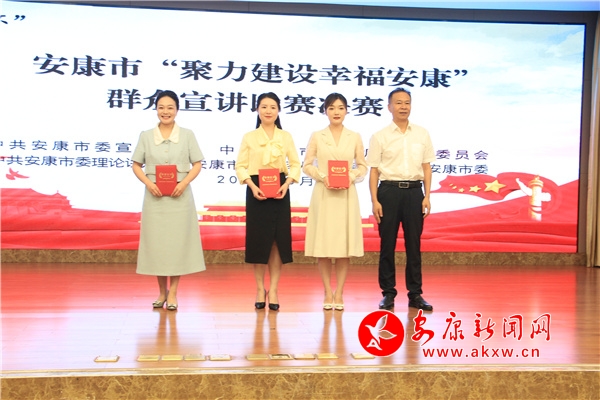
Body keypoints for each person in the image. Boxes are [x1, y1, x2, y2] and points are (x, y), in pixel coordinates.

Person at [132, 90, 206, 311]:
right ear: (156, 109)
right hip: (154, 199)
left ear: (177, 110)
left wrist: (184, 183)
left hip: (179, 199)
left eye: (170, 107)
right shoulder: (146, 136)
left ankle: (173, 291)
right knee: (157, 246)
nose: (165, 111)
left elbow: (197, 163)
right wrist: (149, 183)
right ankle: (161, 291)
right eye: (161, 107)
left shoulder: (187, 135)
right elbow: (136, 165)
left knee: (176, 245)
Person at [366, 88, 435, 311]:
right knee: (387, 244)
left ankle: (415, 294)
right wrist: (375, 200)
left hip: (414, 193)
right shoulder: (380, 136)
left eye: (407, 102)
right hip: (388, 192)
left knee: (414, 245)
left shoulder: (422, 134)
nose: (403, 106)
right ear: (389, 107)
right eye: (398, 103)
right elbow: (374, 171)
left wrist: (427, 196)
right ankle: (388, 293)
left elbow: (426, 167)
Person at [235, 92, 301, 311]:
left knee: (276, 242)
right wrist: (252, 186)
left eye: (273, 107)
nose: (268, 111)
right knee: (258, 241)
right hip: (256, 190)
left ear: (278, 110)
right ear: (257, 110)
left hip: (280, 189)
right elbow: (240, 166)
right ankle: (259, 288)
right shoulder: (249, 137)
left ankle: (273, 289)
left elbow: (296, 164)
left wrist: (287, 183)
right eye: (264, 107)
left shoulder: (286, 136)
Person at [303, 93, 367, 311]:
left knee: (343, 247)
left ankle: (339, 292)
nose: (336, 112)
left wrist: (350, 176)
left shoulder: (354, 136)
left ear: (347, 110)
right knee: (323, 246)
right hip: (324, 194)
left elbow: (363, 165)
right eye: (331, 108)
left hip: (346, 195)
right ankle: (327, 292)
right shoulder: (317, 136)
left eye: (340, 108)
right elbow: (306, 165)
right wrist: (323, 176)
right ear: (325, 111)